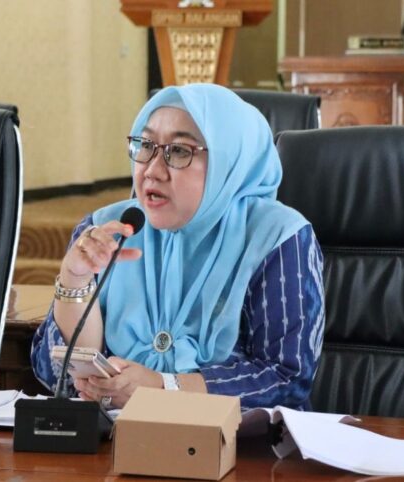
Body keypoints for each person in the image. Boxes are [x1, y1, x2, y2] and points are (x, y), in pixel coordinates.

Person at [31, 84, 324, 410]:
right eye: (145, 145)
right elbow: (53, 374)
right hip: (115, 435)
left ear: (228, 162)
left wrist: (163, 388)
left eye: (180, 151)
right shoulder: (108, 229)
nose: (152, 170)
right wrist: (74, 282)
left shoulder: (276, 236)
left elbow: (286, 378)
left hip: (238, 439)